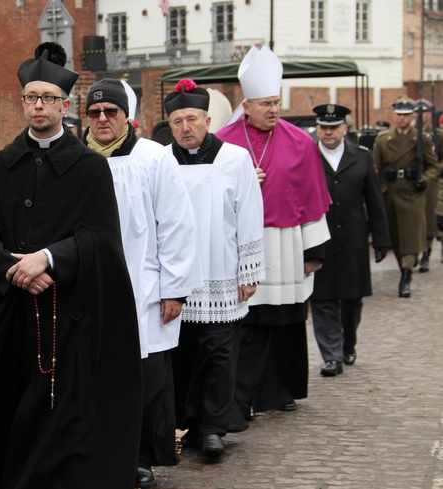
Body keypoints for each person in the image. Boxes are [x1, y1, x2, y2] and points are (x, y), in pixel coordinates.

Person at [0, 42, 143, 489]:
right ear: (22, 102)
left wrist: (49, 258)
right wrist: (14, 267)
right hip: (10, 318)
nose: (39, 106)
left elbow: (102, 241)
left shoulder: (89, 169)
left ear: (66, 105)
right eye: (32, 98)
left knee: (61, 411)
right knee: (11, 409)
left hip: (69, 317)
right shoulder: (1, 167)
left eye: (49, 98)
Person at [82, 77, 199, 487]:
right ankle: (94, 453)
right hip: (87, 290)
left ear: (125, 116)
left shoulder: (152, 157)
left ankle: (140, 457)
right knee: (93, 376)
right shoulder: (74, 156)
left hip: (144, 287)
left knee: (145, 379)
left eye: (110, 112)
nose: (101, 119)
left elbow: (177, 225)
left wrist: (175, 288)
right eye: (94, 112)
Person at [216, 46, 332, 416]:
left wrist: (313, 254)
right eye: (265, 103)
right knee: (246, 326)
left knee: (286, 322)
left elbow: (313, 196)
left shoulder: (300, 142)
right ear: (246, 105)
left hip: (286, 246)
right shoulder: (222, 143)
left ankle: (282, 391)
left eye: (276, 102)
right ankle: (242, 396)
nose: (273, 110)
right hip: (240, 248)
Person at [163, 79, 265, 458]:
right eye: (177, 121)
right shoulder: (161, 160)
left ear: (207, 120)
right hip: (177, 275)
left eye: (191, 119)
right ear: (169, 124)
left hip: (221, 270)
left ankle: (213, 427)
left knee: (219, 352)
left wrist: (249, 270)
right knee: (182, 353)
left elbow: (249, 215)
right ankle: (189, 424)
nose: (185, 128)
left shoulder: (234, 159)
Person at [309, 104, 391, 375]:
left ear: (345, 128)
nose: (328, 132)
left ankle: (348, 343)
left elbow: (374, 200)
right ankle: (332, 355)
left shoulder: (362, 157)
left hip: (354, 237)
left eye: (333, 127)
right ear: (317, 128)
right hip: (319, 238)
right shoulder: (307, 156)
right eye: (323, 127)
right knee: (322, 299)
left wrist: (381, 239)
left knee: (352, 298)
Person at [373, 97, 438, 297]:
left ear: (412, 117)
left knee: (410, 238)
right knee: (397, 240)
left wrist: (424, 180)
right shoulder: (384, 141)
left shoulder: (421, 139)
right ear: (395, 116)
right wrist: (382, 185)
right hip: (391, 193)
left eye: (406, 115)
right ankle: (404, 269)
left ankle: (406, 277)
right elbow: (375, 170)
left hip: (412, 194)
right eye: (399, 115)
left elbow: (433, 166)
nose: (402, 119)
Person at [417, 99, 443, 272]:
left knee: (433, 218)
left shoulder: (437, 135)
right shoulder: (413, 134)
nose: (421, 117)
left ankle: (427, 253)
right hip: (416, 182)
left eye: (424, 113)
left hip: (436, 181)